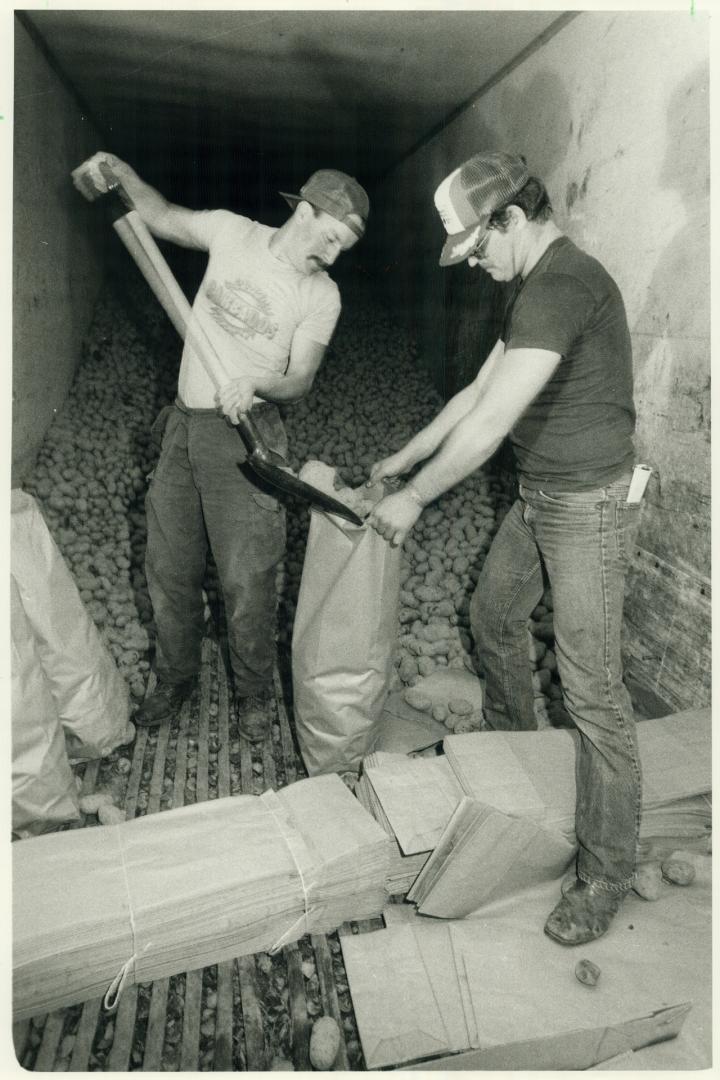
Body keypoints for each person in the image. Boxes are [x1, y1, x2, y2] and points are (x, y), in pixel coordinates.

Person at [367, 151, 642, 946]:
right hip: (542, 495)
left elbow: (489, 427)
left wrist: (416, 499)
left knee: (594, 691)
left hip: (589, 505)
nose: (478, 267)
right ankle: (520, 756)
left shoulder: (564, 285)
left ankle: (604, 873)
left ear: (511, 219)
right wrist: (405, 458)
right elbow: (474, 395)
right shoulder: (529, 284)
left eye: (479, 248)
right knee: (492, 615)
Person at [75, 153, 368, 741]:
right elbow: (159, 216)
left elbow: (302, 377)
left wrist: (258, 382)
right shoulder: (233, 233)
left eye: (343, 248)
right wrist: (122, 172)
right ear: (304, 213)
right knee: (169, 567)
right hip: (184, 427)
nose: (331, 255)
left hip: (249, 436)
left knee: (247, 579)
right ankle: (174, 677)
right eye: (329, 238)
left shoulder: (322, 296)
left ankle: (253, 693)